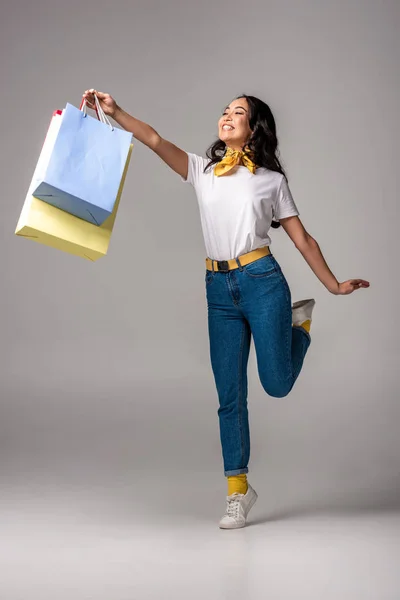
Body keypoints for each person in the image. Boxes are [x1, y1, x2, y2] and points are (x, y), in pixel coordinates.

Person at [82, 89, 370, 529]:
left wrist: (332, 286)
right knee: (229, 396)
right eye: (225, 111)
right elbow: (156, 140)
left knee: (276, 385)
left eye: (239, 112)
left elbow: (303, 240)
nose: (228, 116)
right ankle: (238, 491)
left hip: (263, 283)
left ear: (255, 128)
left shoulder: (271, 181)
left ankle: (301, 325)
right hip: (218, 289)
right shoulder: (204, 170)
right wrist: (114, 111)